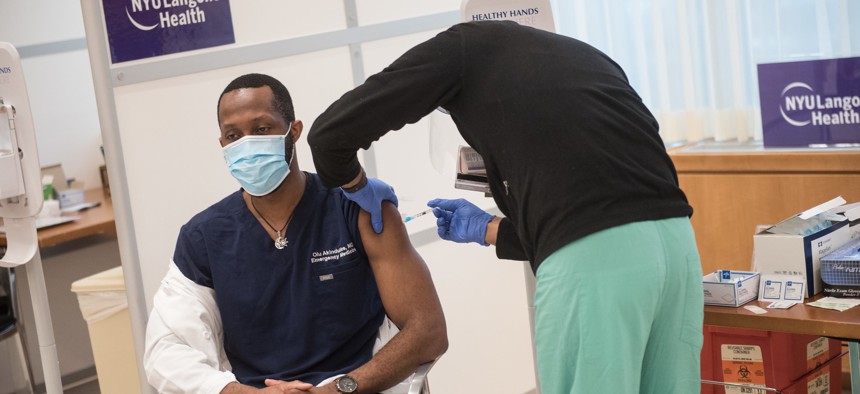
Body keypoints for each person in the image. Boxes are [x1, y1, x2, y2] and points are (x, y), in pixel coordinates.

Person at [308, 21, 703, 394]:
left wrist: (356, 185)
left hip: (596, 265)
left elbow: (330, 134)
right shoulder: (583, 55)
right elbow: (602, 209)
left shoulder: (458, 48)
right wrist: (489, 229)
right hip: (677, 251)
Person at [143, 73, 447, 394]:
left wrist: (337, 389)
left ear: (294, 131)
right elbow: (166, 351)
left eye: (261, 130)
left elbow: (428, 331)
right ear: (223, 145)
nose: (246, 143)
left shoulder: (357, 210)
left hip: (355, 388)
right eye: (233, 135)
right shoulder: (203, 237)